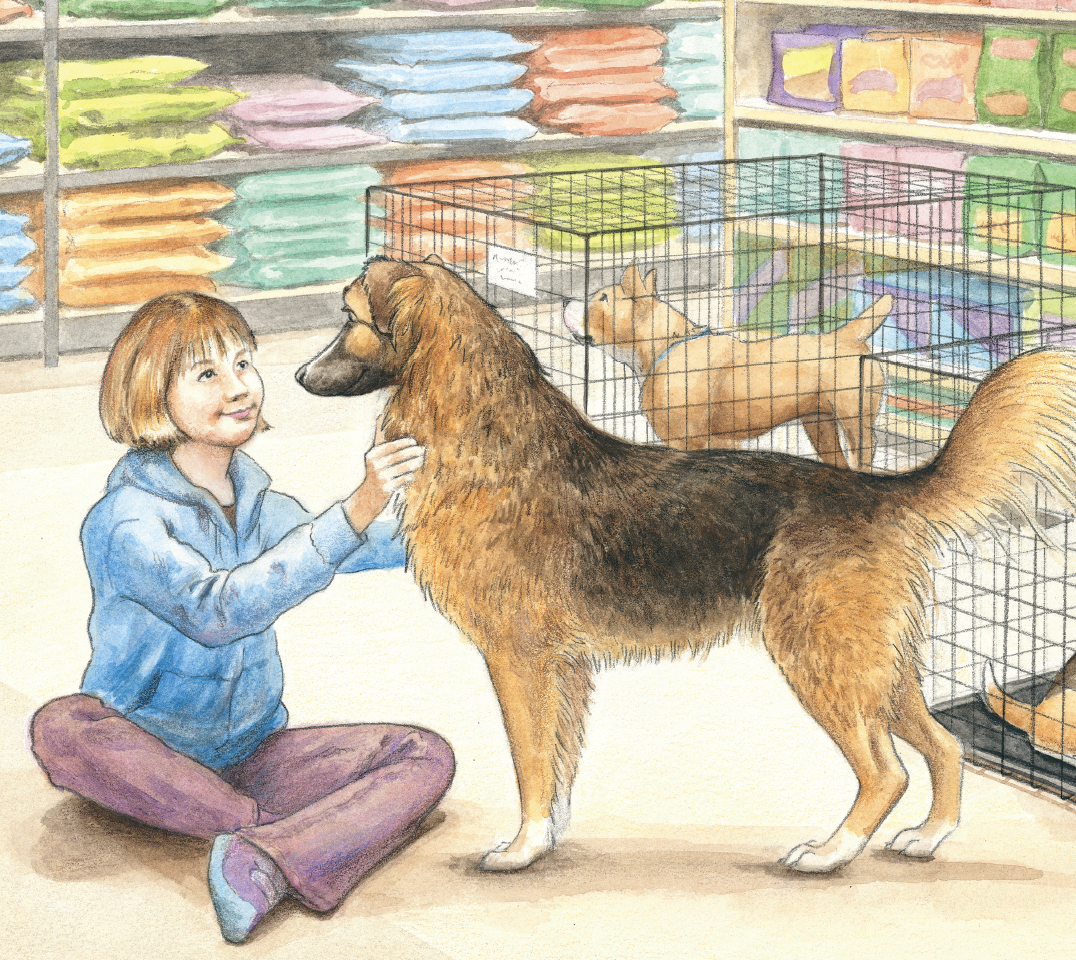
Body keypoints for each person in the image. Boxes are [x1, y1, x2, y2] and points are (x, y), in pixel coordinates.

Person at [28, 292, 455, 944]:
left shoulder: (262, 504)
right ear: (150, 393)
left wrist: (466, 517)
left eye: (244, 363)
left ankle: (263, 848)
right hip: (148, 749)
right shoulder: (126, 519)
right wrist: (357, 507)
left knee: (423, 754)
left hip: (253, 752)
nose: (238, 387)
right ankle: (278, 831)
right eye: (207, 374)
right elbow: (218, 610)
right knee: (62, 725)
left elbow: (359, 547)